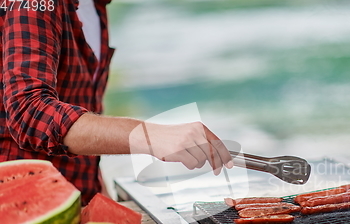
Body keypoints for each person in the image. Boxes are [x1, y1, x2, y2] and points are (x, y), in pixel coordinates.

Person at [0, 0, 232, 205]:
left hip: (72, 200)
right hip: (19, 206)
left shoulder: (95, 6)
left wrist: (99, 194)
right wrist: (150, 135)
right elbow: (29, 112)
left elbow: (78, 115)